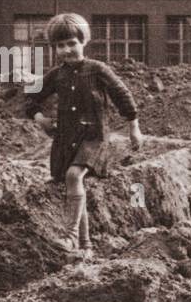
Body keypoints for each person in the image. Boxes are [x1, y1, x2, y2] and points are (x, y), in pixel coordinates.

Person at [24, 13, 144, 258]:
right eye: (60, 45)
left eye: (72, 43)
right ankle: (86, 247)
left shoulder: (97, 70)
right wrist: (40, 119)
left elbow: (122, 95)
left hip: (94, 137)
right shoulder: (56, 75)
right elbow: (30, 99)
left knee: (73, 175)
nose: (67, 50)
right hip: (67, 140)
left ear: (84, 42)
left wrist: (134, 126)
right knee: (73, 184)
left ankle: (69, 236)